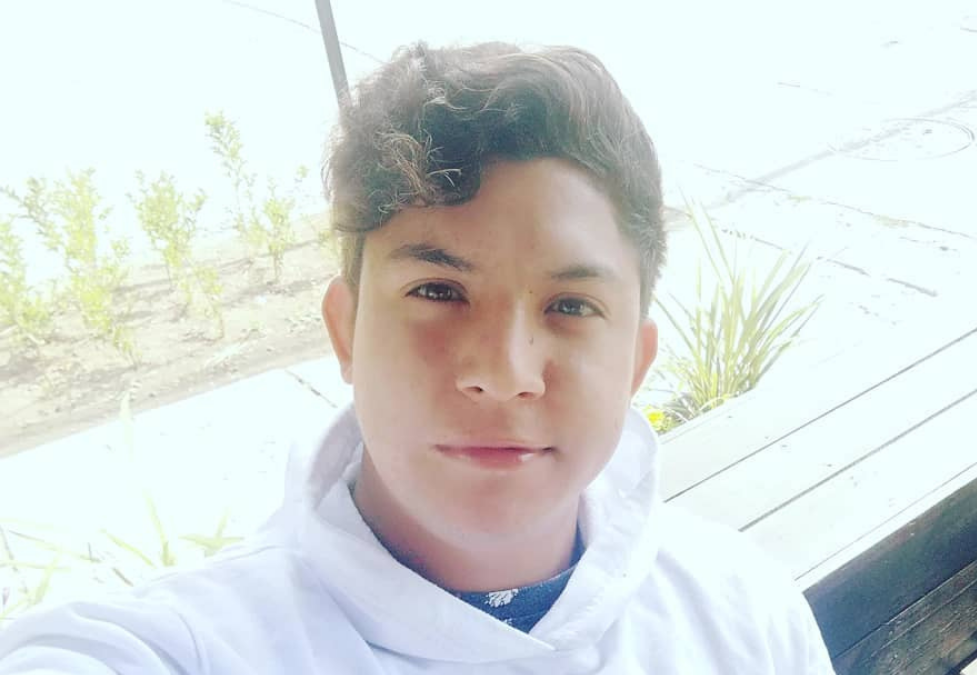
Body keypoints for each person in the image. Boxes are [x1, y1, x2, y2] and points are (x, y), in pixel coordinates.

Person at [0, 42, 835, 674]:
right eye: (439, 290)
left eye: (571, 306)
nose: (505, 372)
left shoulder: (745, 619)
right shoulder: (195, 645)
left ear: (636, 364)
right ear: (345, 331)